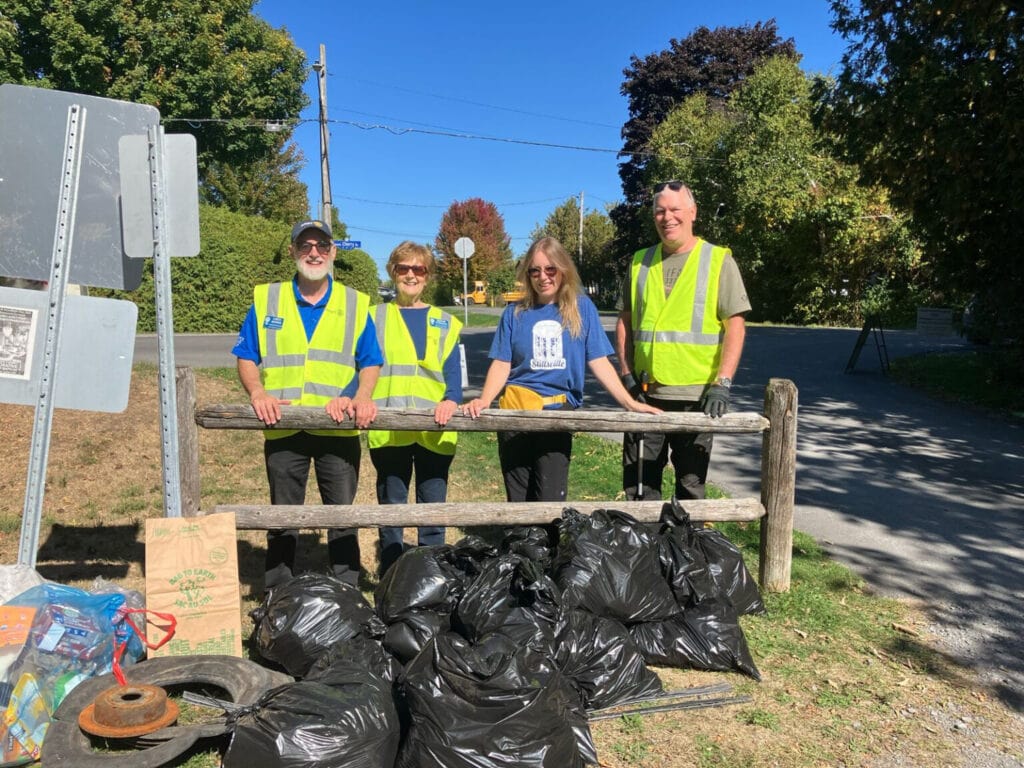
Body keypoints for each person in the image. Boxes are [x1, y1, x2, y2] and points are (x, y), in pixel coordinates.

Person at [232, 218, 383, 591]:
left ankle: (346, 591)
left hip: (338, 427)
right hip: (284, 426)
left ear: (332, 252)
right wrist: (257, 393)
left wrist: (361, 396)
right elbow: (246, 355)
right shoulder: (268, 299)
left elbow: (371, 361)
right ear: (293, 252)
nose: (313, 253)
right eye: (305, 246)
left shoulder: (353, 302)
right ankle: (277, 595)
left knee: (342, 515)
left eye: (321, 246)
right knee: (283, 517)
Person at [464, 236, 661, 503]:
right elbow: (502, 363)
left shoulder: (581, 309)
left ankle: (548, 545)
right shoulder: (514, 313)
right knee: (518, 500)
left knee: (549, 500)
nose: (542, 277)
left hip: (557, 413)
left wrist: (629, 403)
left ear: (563, 269)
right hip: (515, 412)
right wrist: (484, 400)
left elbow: (599, 361)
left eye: (550, 269)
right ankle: (521, 545)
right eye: (534, 271)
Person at [615, 180, 750, 501]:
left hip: (697, 398)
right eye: (660, 211)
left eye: (675, 209)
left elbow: (735, 325)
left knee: (690, 488)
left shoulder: (718, 261)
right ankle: (645, 550)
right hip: (646, 397)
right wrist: (625, 374)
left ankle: (685, 550)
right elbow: (625, 321)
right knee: (640, 488)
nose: (667, 217)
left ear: (692, 213)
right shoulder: (639, 262)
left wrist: (723, 382)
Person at [369, 241, 463, 576]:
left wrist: (452, 400)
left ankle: (431, 579)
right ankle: (392, 577)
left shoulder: (445, 322)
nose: (411, 275)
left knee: (432, 509)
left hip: (434, 431)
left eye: (418, 269)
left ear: (428, 275)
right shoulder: (373, 317)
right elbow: (362, 367)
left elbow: (453, 376)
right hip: (389, 428)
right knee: (392, 510)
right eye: (403, 268)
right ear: (392, 272)